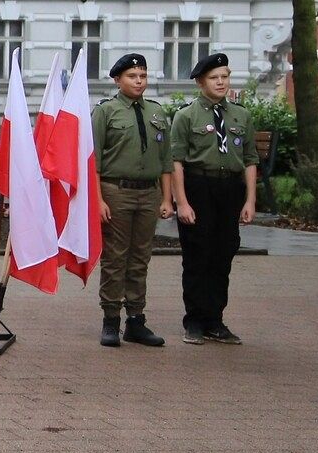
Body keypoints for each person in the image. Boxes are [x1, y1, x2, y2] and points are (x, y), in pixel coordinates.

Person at [169, 52, 256, 345]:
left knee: (223, 255)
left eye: (225, 76)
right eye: (214, 78)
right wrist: (181, 201)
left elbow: (250, 159)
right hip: (199, 188)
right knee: (197, 255)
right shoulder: (186, 116)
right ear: (200, 82)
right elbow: (177, 161)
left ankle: (215, 320)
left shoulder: (240, 115)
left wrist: (250, 200)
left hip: (229, 189)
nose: (221, 82)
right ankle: (194, 320)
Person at [91, 52, 172, 348]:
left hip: (149, 193)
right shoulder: (106, 112)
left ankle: (136, 320)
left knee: (140, 258)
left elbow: (166, 160)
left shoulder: (157, 112)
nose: (139, 81)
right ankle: (110, 319)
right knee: (115, 257)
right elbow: (94, 161)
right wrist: (98, 200)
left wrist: (167, 198)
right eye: (132, 76)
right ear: (117, 80)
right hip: (116, 192)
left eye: (143, 76)